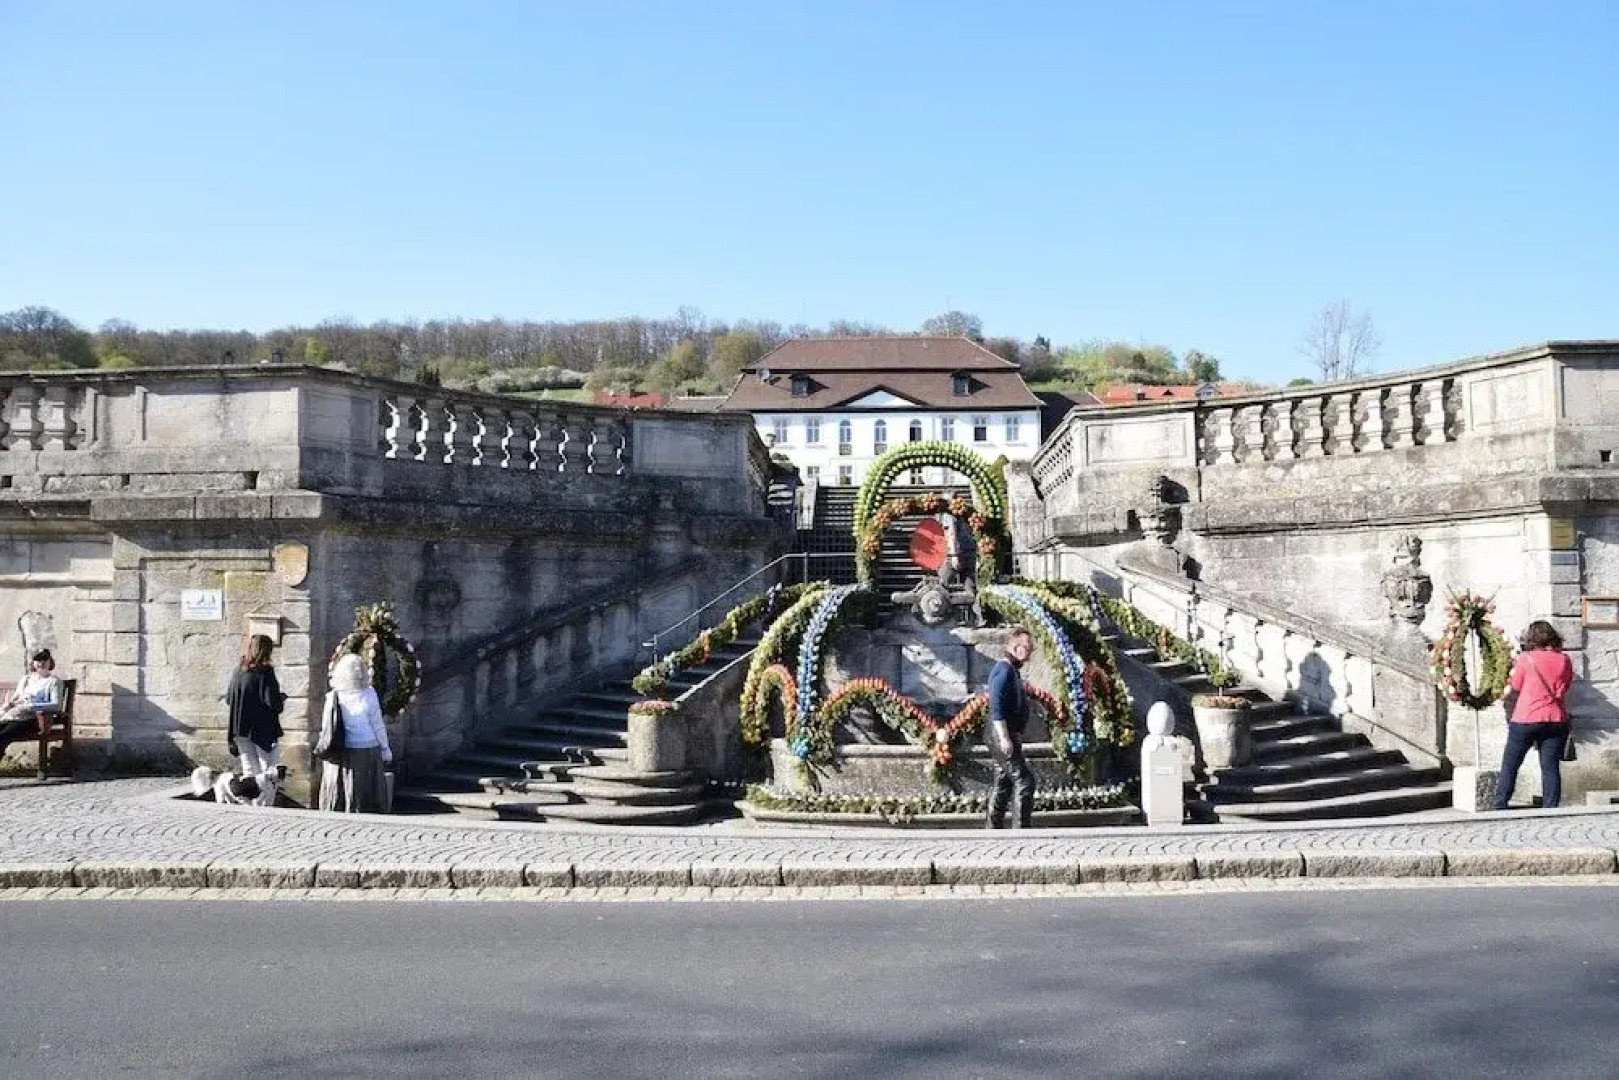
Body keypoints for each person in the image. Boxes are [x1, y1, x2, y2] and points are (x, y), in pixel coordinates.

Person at [1493, 619, 1575, 810]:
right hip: (1555, 718)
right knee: (1550, 766)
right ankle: (1550, 805)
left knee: (1511, 763)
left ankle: (1501, 802)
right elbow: (1566, 686)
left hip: (1526, 717)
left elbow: (1516, 686)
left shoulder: (1526, 659)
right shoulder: (1564, 659)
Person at [318, 653, 393, 813]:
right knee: (366, 790)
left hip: (341, 749)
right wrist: (385, 749)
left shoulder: (333, 696)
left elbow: (326, 727)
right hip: (367, 749)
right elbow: (377, 725)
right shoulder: (369, 694)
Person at [224, 635, 286, 807]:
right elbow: (273, 703)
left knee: (249, 770)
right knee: (268, 770)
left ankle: (250, 805)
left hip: (240, 729)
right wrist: (281, 698)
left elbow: (229, 699)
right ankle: (266, 806)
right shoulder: (265, 672)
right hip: (262, 730)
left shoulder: (238, 671)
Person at [985, 627, 1036, 829]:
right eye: (1028, 648)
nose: (1031, 653)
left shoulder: (1011, 670)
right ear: (1016, 648)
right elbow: (996, 706)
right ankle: (1021, 831)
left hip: (1007, 732)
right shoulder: (1004, 670)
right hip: (1000, 734)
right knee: (1025, 781)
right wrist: (1005, 737)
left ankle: (993, 828)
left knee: (1003, 781)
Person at [0, 649, 64, 753]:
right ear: (33, 663)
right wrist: (9, 705)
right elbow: (15, 698)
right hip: (14, 716)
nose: (41, 663)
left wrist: (30, 707)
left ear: (50, 662)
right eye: (38, 660)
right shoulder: (26, 679)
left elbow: (56, 705)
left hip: (34, 719)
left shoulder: (53, 681)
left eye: (44, 659)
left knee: (3, 736)